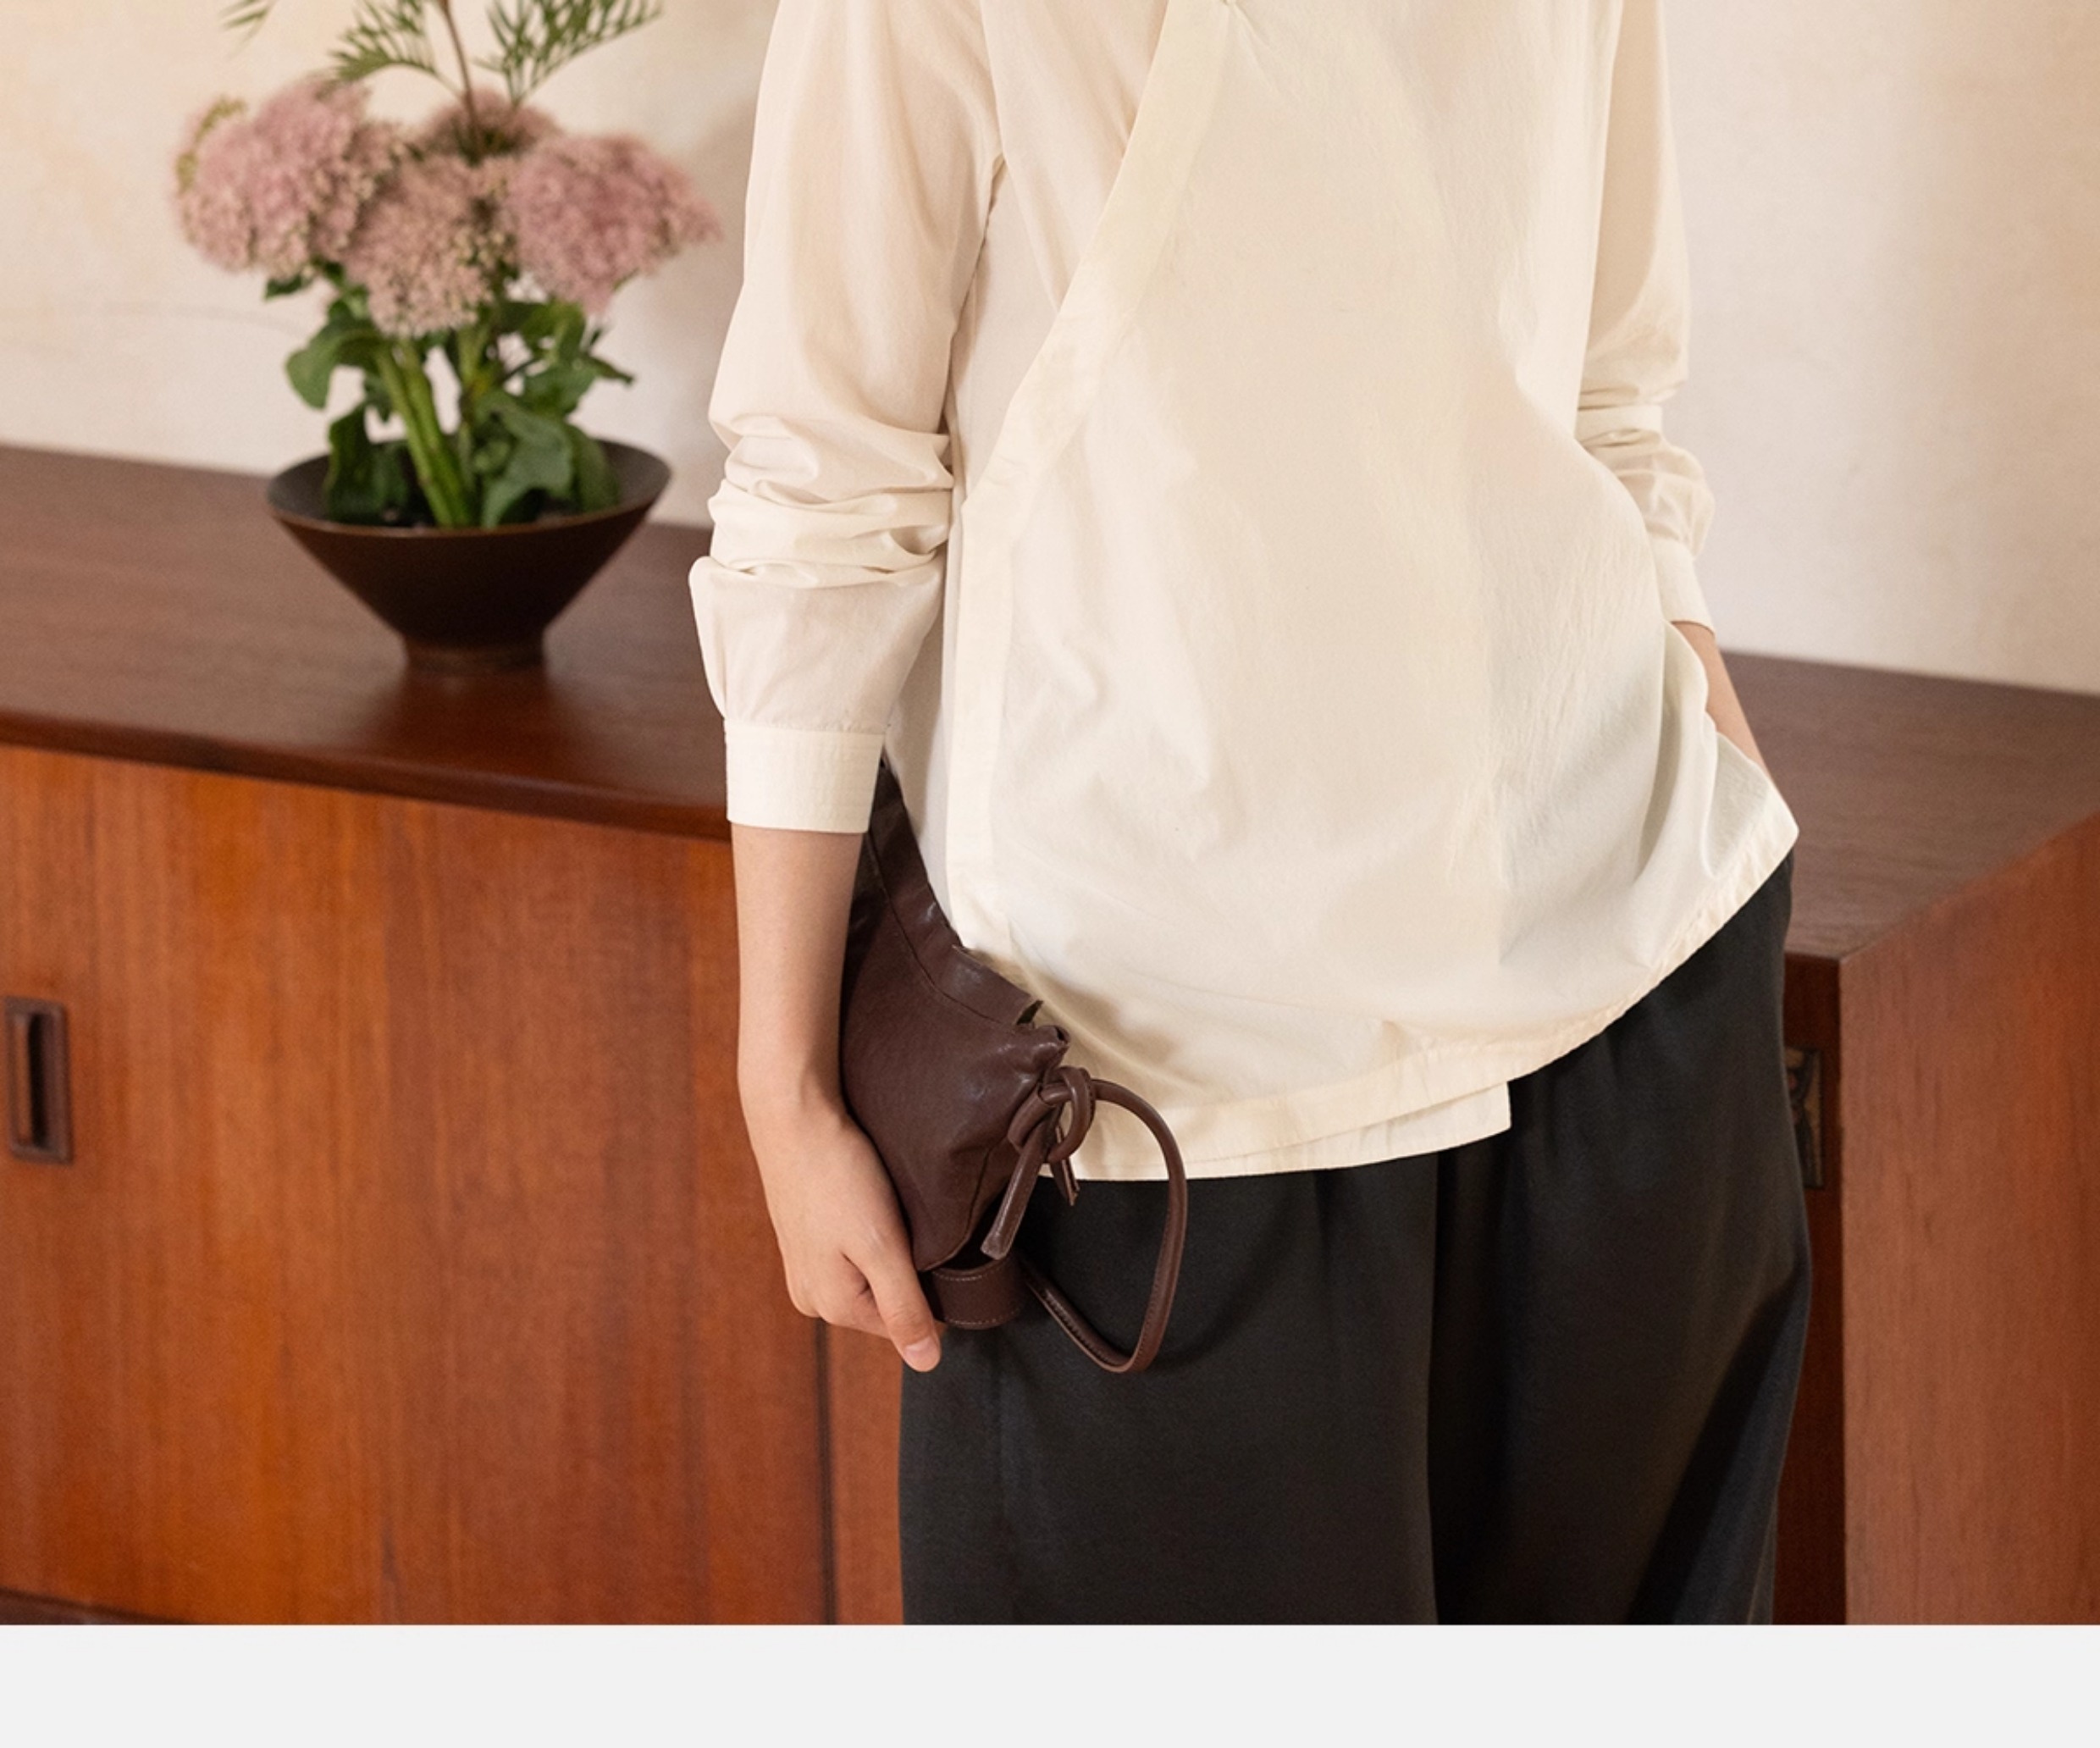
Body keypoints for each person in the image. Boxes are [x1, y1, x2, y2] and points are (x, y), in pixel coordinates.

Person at [693, 0, 1810, 1624]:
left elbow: (1607, 391)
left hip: (1629, 995)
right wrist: (785, 1089)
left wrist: (1714, 751)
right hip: (1164, 1104)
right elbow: (825, 489)